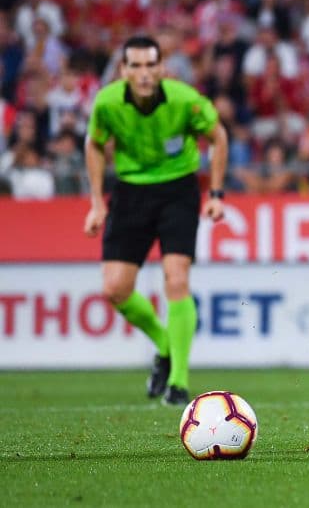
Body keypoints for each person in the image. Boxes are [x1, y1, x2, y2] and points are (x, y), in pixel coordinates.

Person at [84, 35, 228, 406]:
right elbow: (94, 143)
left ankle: (178, 383)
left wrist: (215, 194)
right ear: (123, 70)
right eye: (136, 66)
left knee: (176, 279)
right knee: (115, 289)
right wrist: (97, 203)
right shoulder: (107, 103)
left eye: (151, 65)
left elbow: (218, 136)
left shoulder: (185, 100)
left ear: (162, 67)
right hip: (131, 193)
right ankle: (165, 345)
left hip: (178, 191)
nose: (144, 73)